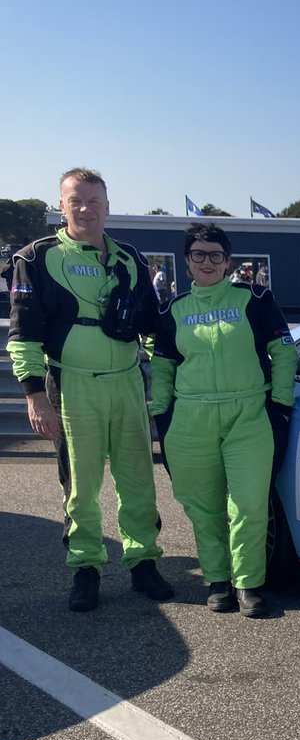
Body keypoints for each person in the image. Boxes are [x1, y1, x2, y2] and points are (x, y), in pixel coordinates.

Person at [5, 167, 175, 611]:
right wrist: (33, 394)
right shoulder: (37, 257)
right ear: (60, 206)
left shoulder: (129, 258)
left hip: (126, 383)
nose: (85, 209)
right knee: (80, 484)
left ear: (107, 206)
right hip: (71, 383)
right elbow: (23, 334)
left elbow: (154, 326)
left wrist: (164, 377)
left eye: (94, 201)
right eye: (75, 201)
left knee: (138, 480)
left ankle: (143, 563)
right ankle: (85, 568)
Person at [151, 223, 298, 618]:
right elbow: (162, 367)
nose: (207, 262)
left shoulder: (255, 298)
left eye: (216, 254)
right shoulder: (171, 309)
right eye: (198, 254)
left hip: (248, 415)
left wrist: (280, 404)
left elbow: (284, 352)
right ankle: (218, 582)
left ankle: (249, 584)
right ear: (186, 262)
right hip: (190, 419)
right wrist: (161, 415)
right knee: (204, 508)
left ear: (228, 261)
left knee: (249, 505)